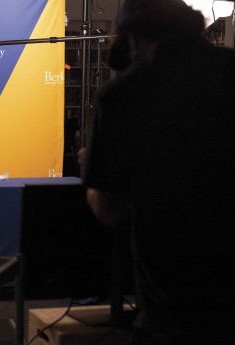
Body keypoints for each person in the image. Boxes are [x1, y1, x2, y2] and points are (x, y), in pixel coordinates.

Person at [83, 0, 235, 344]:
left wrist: (92, 166)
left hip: (174, 297)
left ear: (131, 37)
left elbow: (108, 208)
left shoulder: (125, 95)